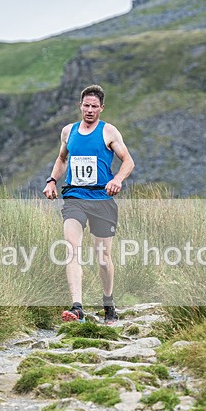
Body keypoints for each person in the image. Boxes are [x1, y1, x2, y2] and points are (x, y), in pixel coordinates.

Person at [42, 84, 135, 324]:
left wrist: (117, 179)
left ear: (102, 108)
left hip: (102, 200)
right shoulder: (68, 131)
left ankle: (108, 303)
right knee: (71, 249)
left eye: (94, 106)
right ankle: (77, 308)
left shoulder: (109, 132)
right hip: (75, 198)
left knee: (103, 259)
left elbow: (128, 161)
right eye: (86, 105)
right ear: (80, 106)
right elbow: (62, 158)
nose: (90, 110)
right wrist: (52, 180)